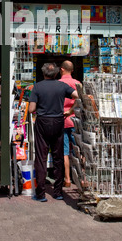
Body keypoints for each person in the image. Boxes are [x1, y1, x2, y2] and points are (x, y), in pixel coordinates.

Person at [28, 62, 78, 202]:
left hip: (43, 121)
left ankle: (41, 193)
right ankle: (58, 192)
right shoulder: (62, 86)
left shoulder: (37, 86)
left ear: (43, 73)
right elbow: (77, 96)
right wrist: (70, 111)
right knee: (58, 156)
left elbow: (31, 109)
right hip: (58, 121)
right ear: (56, 73)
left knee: (41, 157)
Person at [59, 60, 81, 188]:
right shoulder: (77, 84)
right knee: (79, 150)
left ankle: (67, 179)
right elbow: (79, 100)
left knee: (64, 151)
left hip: (62, 120)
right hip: (75, 120)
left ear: (62, 69)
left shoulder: (58, 84)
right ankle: (81, 178)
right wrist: (71, 111)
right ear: (72, 70)